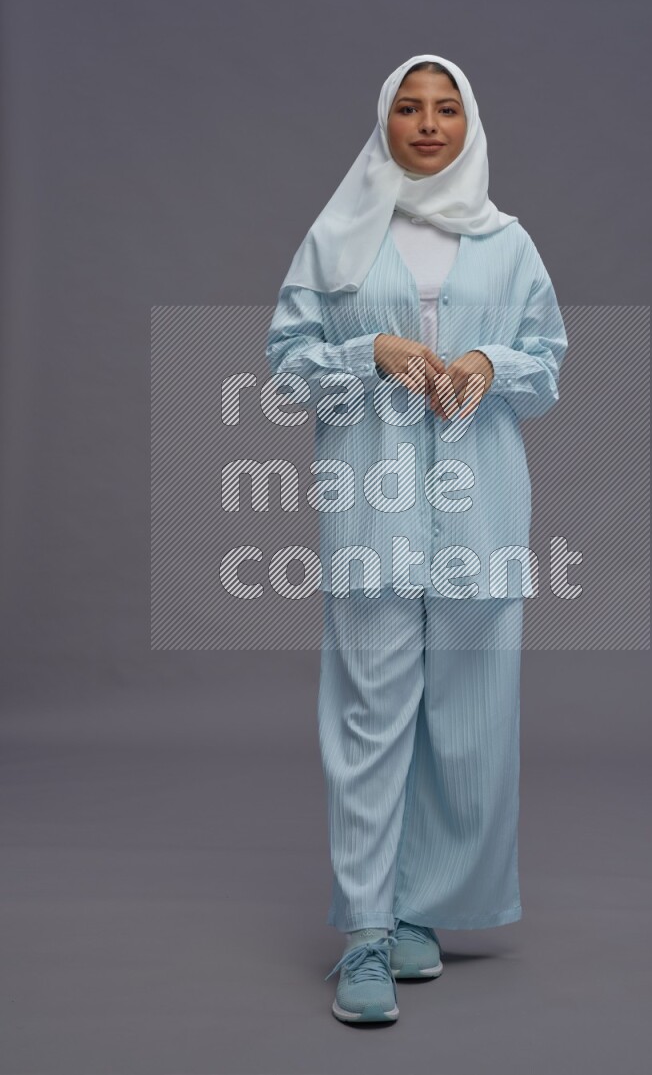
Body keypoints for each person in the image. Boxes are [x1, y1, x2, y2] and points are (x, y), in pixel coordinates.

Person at [266, 53, 568, 1025]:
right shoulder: (337, 235)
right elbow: (285, 365)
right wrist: (371, 351)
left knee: (469, 719)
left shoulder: (507, 243)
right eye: (408, 107)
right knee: (369, 714)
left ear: (467, 122)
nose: (427, 123)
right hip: (372, 506)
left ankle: (417, 909)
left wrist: (487, 358)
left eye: (444, 107)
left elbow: (547, 363)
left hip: (480, 508)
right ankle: (361, 929)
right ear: (383, 122)